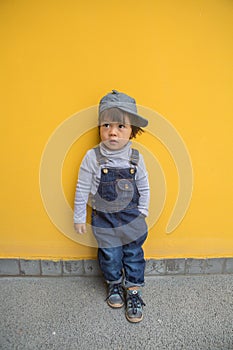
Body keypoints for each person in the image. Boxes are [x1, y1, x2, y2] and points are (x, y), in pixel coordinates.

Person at [74, 90, 150, 323]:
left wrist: (143, 212)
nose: (113, 132)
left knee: (134, 255)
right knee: (110, 255)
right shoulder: (92, 157)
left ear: (132, 131)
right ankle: (115, 284)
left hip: (132, 219)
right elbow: (82, 186)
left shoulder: (135, 158)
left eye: (121, 126)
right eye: (106, 125)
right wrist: (79, 217)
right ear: (99, 127)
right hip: (104, 220)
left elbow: (144, 186)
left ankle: (134, 290)